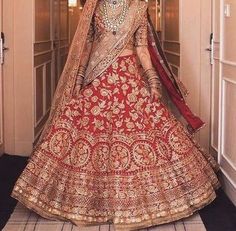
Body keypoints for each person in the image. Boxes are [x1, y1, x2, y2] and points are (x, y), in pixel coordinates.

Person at [11, 0, 221, 230]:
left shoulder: (139, 7)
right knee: (86, 132)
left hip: (130, 77)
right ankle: (90, 203)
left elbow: (141, 46)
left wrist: (152, 80)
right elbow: (87, 46)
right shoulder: (92, 7)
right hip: (97, 77)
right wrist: (79, 80)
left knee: (144, 129)